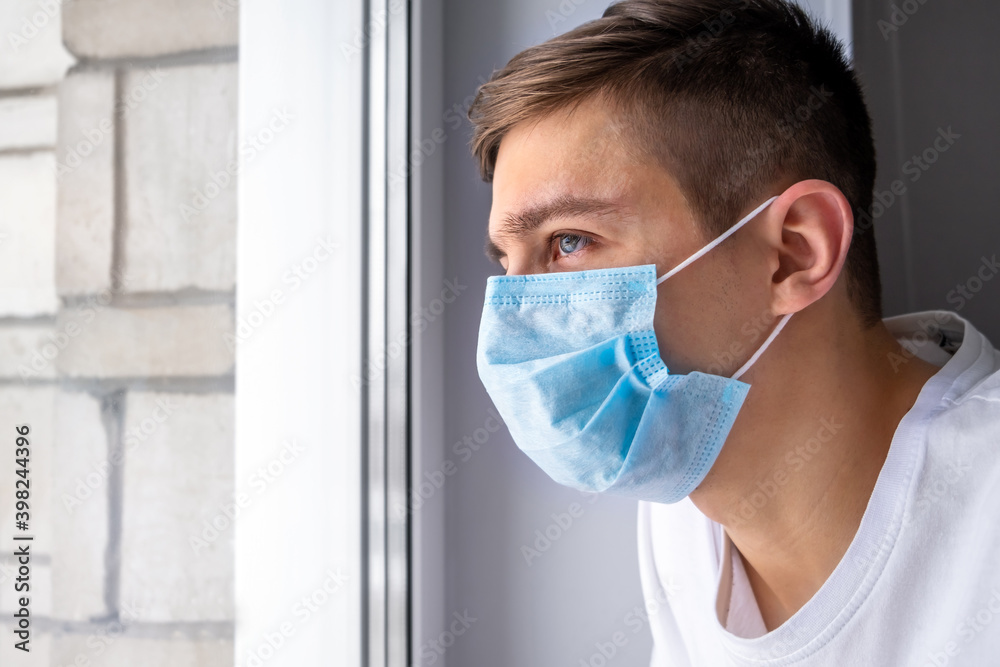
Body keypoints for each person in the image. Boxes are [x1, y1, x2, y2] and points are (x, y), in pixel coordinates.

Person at [467, 1, 1000, 665]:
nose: (516, 314)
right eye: (507, 265)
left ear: (794, 253)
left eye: (569, 241)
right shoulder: (683, 513)